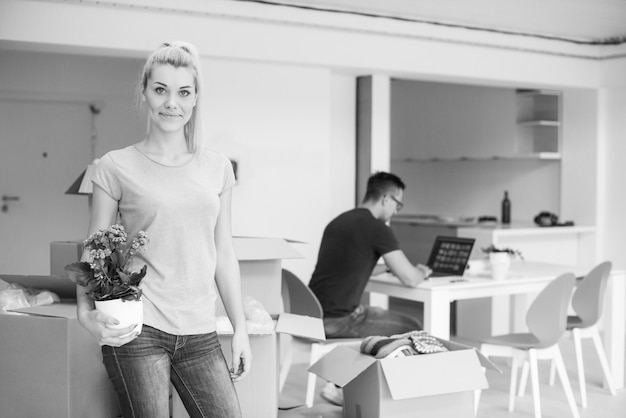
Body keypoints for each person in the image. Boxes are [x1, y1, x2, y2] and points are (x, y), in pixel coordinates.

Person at [75, 41, 251, 418]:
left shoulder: (217, 167)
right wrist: (84, 312)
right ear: (145, 92)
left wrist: (241, 329)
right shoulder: (115, 166)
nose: (172, 103)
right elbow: (94, 248)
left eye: (183, 92)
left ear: (195, 97)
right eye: (161, 90)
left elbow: (225, 253)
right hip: (139, 327)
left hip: (200, 331)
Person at [308, 171, 431, 405]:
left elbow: (347, 265)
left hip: (313, 313)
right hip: (338, 318)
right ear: (386, 198)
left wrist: (384, 269)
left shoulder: (339, 221)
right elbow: (410, 278)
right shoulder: (377, 228)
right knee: (413, 328)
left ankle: (340, 383)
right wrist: (423, 271)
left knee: (375, 314)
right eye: (398, 204)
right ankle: (395, 397)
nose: (396, 211)